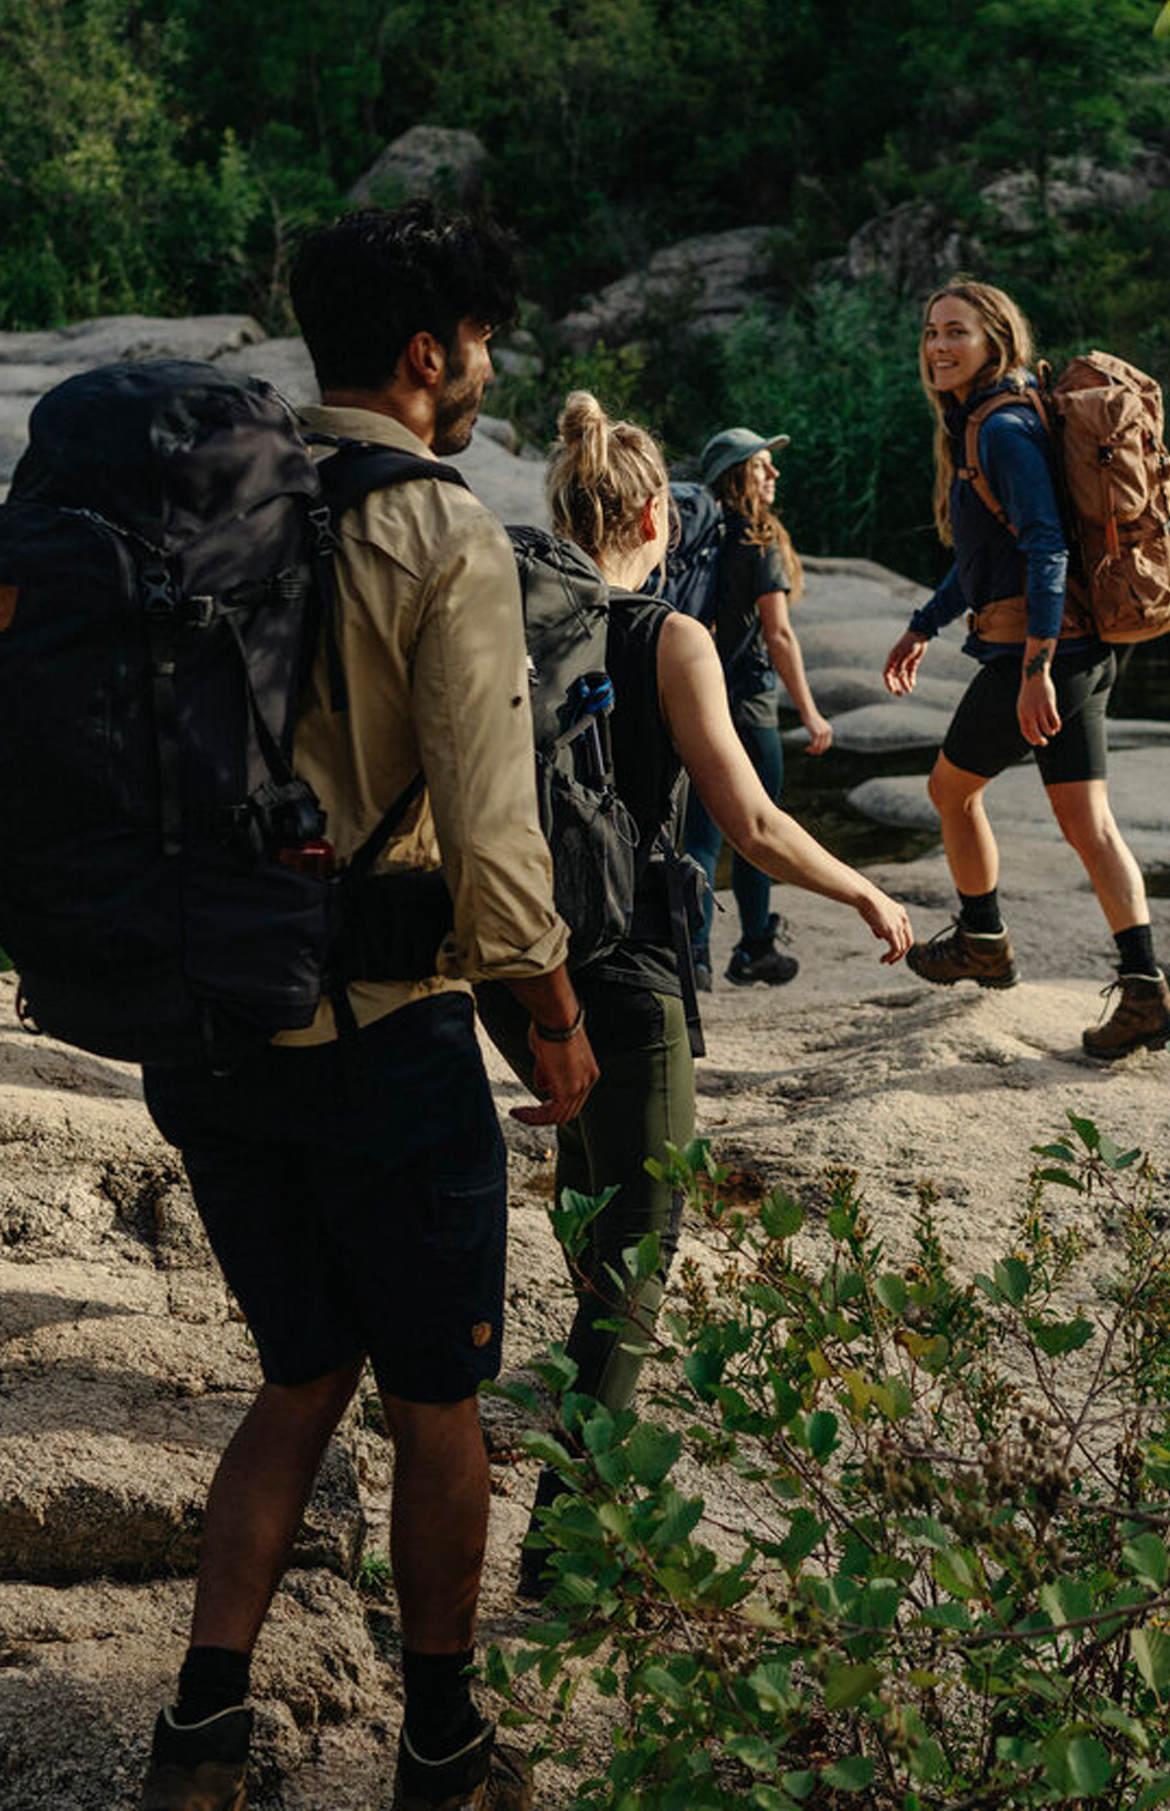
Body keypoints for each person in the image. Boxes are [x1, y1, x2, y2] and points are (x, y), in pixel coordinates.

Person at [136, 204, 598, 1811]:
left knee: (298, 1375)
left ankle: (200, 1730)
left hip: (203, 1034)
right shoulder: (438, 531)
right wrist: (551, 1015)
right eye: (479, 345)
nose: (484, 372)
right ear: (428, 352)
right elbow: (492, 841)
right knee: (439, 1399)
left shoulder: (209, 501)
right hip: (380, 1042)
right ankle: (446, 1746)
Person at [480, 390, 912, 1589]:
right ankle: (570, 1548)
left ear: (566, 512)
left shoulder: (509, 626)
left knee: (593, 1194)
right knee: (643, 1239)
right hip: (624, 970)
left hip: (519, 971)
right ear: (655, 522)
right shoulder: (670, 639)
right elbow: (757, 823)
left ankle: (580, 1413)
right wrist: (865, 896)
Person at [879, 278, 1170, 1060]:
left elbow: (1046, 546)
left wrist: (1036, 668)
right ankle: (1145, 992)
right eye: (930, 331)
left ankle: (983, 939)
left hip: (1040, 651)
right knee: (1090, 826)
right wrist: (923, 624)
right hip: (1078, 649)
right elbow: (988, 559)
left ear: (996, 341)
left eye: (957, 331)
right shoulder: (995, 419)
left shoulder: (1004, 427)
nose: (939, 345)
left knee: (950, 791)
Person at [676, 425, 837, 988]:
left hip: (696, 700)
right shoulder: (757, 538)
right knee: (759, 826)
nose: (775, 474)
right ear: (739, 473)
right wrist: (811, 712)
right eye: (763, 466)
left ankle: (691, 955)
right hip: (748, 705)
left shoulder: (698, 534)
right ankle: (753, 948)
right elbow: (780, 634)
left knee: (701, 831)